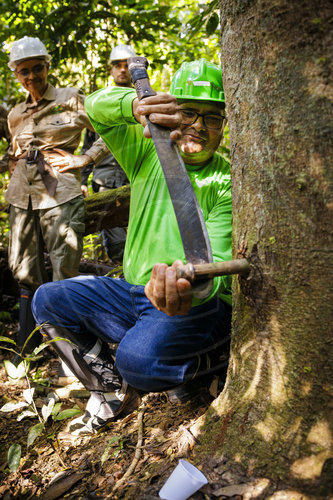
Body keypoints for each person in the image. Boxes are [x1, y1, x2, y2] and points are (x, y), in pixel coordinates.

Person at [32, 59, 232, 435]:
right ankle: (110, 389)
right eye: (188, 112)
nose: (199, 127)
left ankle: (207, 361)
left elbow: (217, 268)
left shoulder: (225, 180)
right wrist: (136, 106)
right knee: (48, 299)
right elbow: (95, 106)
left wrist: (189, 283)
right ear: (169, 112)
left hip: (193, 306)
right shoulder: (147, 152)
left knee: (138, 361)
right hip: (133, 293)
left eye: (212, 118)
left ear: (224, 124)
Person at [5, 36, 110, 354]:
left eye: (37, 68)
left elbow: (107, 130)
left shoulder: (71, 98)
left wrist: (85, 159)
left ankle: (83, 354)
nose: (32, 76)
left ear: (47, 66)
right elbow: (14, 152)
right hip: (21, 199)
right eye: (24, 71)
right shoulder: (15, 113)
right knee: (23, 270)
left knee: (66, 274)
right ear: (16, 75)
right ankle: (36, 348)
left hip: (60, 197)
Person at [80, 44, 137, 263]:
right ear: (111, 71)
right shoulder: (99, 103)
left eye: (127, 66)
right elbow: (88, 146)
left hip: (135, 178)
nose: (122, 70)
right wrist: (83, 180)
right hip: (106, 181)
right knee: (115, 243)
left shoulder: (144, 100)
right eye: (117, 66)